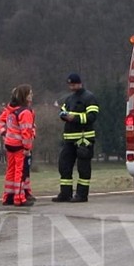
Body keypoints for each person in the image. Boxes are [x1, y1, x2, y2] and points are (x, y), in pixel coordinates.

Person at [52, 73, 99, 203]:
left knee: (83, 168)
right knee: (64, 166)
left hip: (84, 139)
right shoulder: (69, 99)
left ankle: (82, 195)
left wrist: (75, 118)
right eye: (70, 85)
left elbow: (92, 117)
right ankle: (65, 193)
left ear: (80, 83)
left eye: (73, 84)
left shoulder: (89, 97)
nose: (71, 87)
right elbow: (64, 112)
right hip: (69, 139)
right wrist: (64, 115)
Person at [0, 85, 36, 207]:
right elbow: (26, 131)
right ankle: (19, 198)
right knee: (20, 172)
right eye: (30, 94)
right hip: (19, 145)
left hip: (10, 144)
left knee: (11, 171)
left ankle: (8, 196)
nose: (32, 96)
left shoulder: (12, 110)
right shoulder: (25, 111)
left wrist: (6, 134)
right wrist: (27, 148)